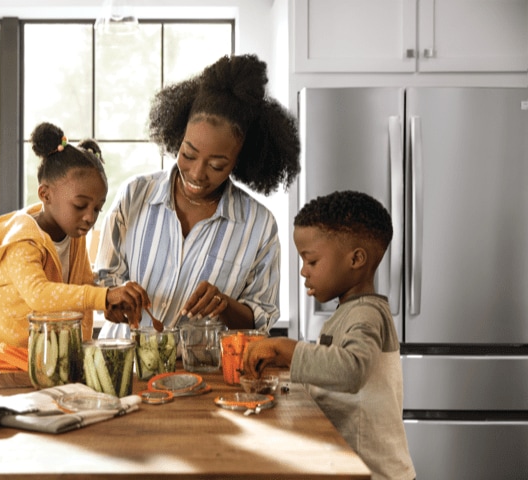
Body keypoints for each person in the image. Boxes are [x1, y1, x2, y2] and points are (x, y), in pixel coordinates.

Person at [95, 54, 301, 338]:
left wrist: (224, 305)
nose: (197, 173)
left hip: (203, 375)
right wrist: (113, 300)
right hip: (123, 368)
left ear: (242, 159)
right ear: (177, 136)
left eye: (217, 165)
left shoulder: (259, 225)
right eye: (188, 154)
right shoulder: (134, 196)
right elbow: (101, 287)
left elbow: (259, 322)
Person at [243, 190, 415, 480]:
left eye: (311, 262)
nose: (303, 271)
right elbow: (331, 374)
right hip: (351, 467)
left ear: (356, 259)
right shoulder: (349, 312)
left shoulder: (366, 314)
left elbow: (351, 371)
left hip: (374, 473)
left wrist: (287, 348)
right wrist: (284, 368)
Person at [0, 121, 148, 370]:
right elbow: (40, 295)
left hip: (38, 351)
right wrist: (104, 296)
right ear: (45, 194)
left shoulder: (73, 234)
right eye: (80, 205)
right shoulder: (23, 239)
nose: (90, 217)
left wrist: (109, 304)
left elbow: (82, 283)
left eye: (97, 208)